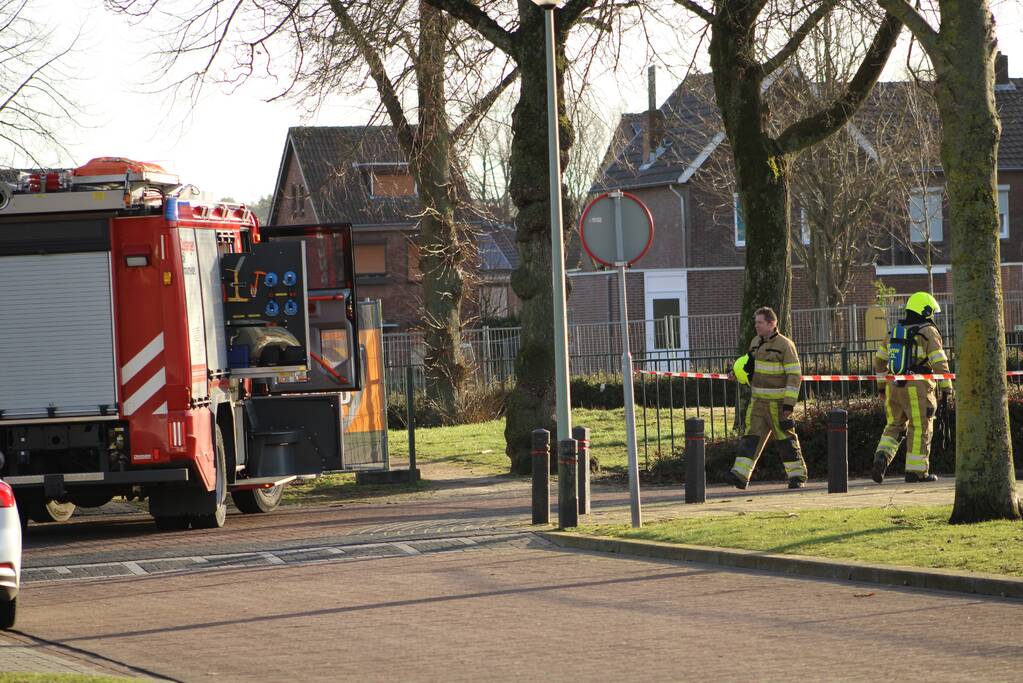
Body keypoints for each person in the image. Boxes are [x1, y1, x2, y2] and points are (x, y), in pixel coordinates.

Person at [871, 291, 952, 484]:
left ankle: (881, 456)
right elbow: (939, 361)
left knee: (893, 426)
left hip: (894, 386)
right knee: (920, 427)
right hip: (918, 386)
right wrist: (947, 386)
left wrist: (882, 387)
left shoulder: (893, 332)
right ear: (925, 310)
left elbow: (880, 361)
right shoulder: (928, 332)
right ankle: (916, 472)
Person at [726, 307, 808, 490]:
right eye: (756, 322)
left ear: (772, 323)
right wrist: (735, 373)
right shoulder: (755, 342)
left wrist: (788, 404)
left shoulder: (785, 346)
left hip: (779, 405)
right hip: (758, 403)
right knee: (750, 438)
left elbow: (794, 376)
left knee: (786, 441)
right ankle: (740, 475)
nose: (756, 326)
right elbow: (749, 365)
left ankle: (797, 477)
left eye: (760, 322)